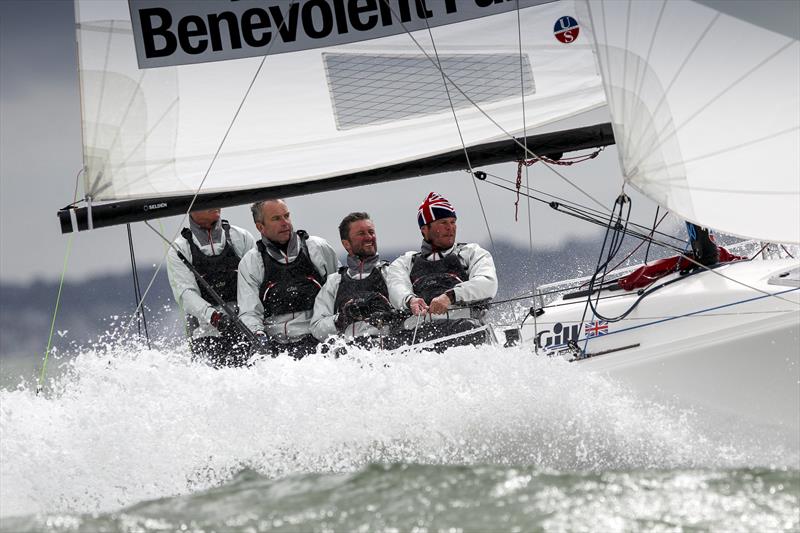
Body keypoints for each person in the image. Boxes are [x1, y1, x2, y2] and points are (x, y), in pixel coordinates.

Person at [386, 192, 498, 349]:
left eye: (453, 222)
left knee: (468, 328)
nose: (450, 228)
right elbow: (396, 287)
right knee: (392, 343)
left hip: (464, 331)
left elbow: (487, 283)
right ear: (424, 229)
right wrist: (410, 300)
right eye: (443, 222)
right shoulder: (405, 262)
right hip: (419, 336)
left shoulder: (471, 253)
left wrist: (450, 296)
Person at [238, 199, 340, 358]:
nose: (285, 223)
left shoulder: (318, 248)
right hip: (276, 347)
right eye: (276, 218)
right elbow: (249, 312)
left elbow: (338, 292)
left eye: (286, 216)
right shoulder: (251, 261)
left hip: (318, 343)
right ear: (260, 227)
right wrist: (258, 336)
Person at [167, 208, 256, 367]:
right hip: (206, 334)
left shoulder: (241, 237)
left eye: (216, 200)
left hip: (246, 328)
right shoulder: (179, 249)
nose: (214, 205)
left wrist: (246, 317)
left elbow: (256, 282)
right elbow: (186, 294)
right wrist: (216, 318)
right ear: (192, 208)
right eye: (205, 201)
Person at [310, 212, 402, 349]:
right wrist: (342, 318)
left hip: (388, 355)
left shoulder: (390, 273)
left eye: (371, 232)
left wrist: (389, 316)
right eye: (361, 233)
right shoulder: (334, 282)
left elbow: (412, 311)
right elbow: (317, 328)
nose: (369, 237)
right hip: (349, 359)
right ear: (346, 244)